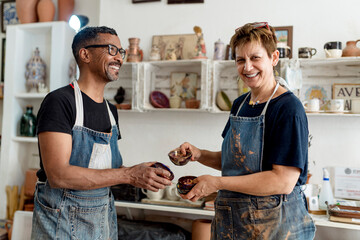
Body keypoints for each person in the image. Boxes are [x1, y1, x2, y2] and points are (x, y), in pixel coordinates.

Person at [177, 22, 316, 239]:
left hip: (275, 227)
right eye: (240, 60)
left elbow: (283, 181)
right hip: (235, 222)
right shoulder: (240, 104)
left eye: (255, 58)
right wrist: (199, 155)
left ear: (274, 58)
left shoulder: (288, 108)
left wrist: (217, 182)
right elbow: (238, 161)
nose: (247, 67)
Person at [31, 26, 172, 239]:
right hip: (62, 222)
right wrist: (129, 174)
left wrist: (142, 172)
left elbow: (109, 169)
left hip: (102, 220)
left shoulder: (111, 111)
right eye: (111, 49)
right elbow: (58, 175)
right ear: (85, 54)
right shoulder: (59, 102)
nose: (119, 58)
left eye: (121, 52)